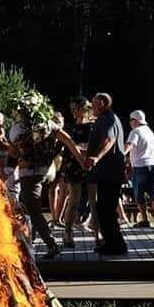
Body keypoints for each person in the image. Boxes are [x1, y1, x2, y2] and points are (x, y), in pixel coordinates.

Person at [7, 92, 84, 260]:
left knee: (33, 210)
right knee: (28, 207)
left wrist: (10, 165)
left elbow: (12, 152)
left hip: (28, 174)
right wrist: (81, 159)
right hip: (45, 172)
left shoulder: (17, 127)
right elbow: (68, 140)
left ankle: (51, 244)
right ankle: (32, 238)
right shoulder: (49, 124)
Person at [84, 93, 128, 256]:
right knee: (105, 208)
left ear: (102, 103)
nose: (91, 108)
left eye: (93, 104)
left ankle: (116, 245)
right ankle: (111, 243)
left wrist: (96, 157)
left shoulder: (106, 119)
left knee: (106, 209)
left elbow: (109, 141)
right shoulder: (112, 118)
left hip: (109, 172)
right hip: (109, 172)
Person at [60, 96, 95, 247]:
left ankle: (98, 234)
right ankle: (68, 234)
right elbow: (66, 147)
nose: (74, 112)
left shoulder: (93, 126)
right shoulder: (70, 127)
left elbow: (98, 145)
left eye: (77, 108)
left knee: (94, 201)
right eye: (72, 109)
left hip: (91, 165)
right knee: (74, 201)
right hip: (73, 166)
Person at [125, 110, 154, 228]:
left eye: (131, 120)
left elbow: (130, 145)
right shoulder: (150, 132)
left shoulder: (135, 131)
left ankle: (145, 219)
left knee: (139, 194)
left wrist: (121, 154)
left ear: (135, 121)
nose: (130, 123)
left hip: (140, 166)